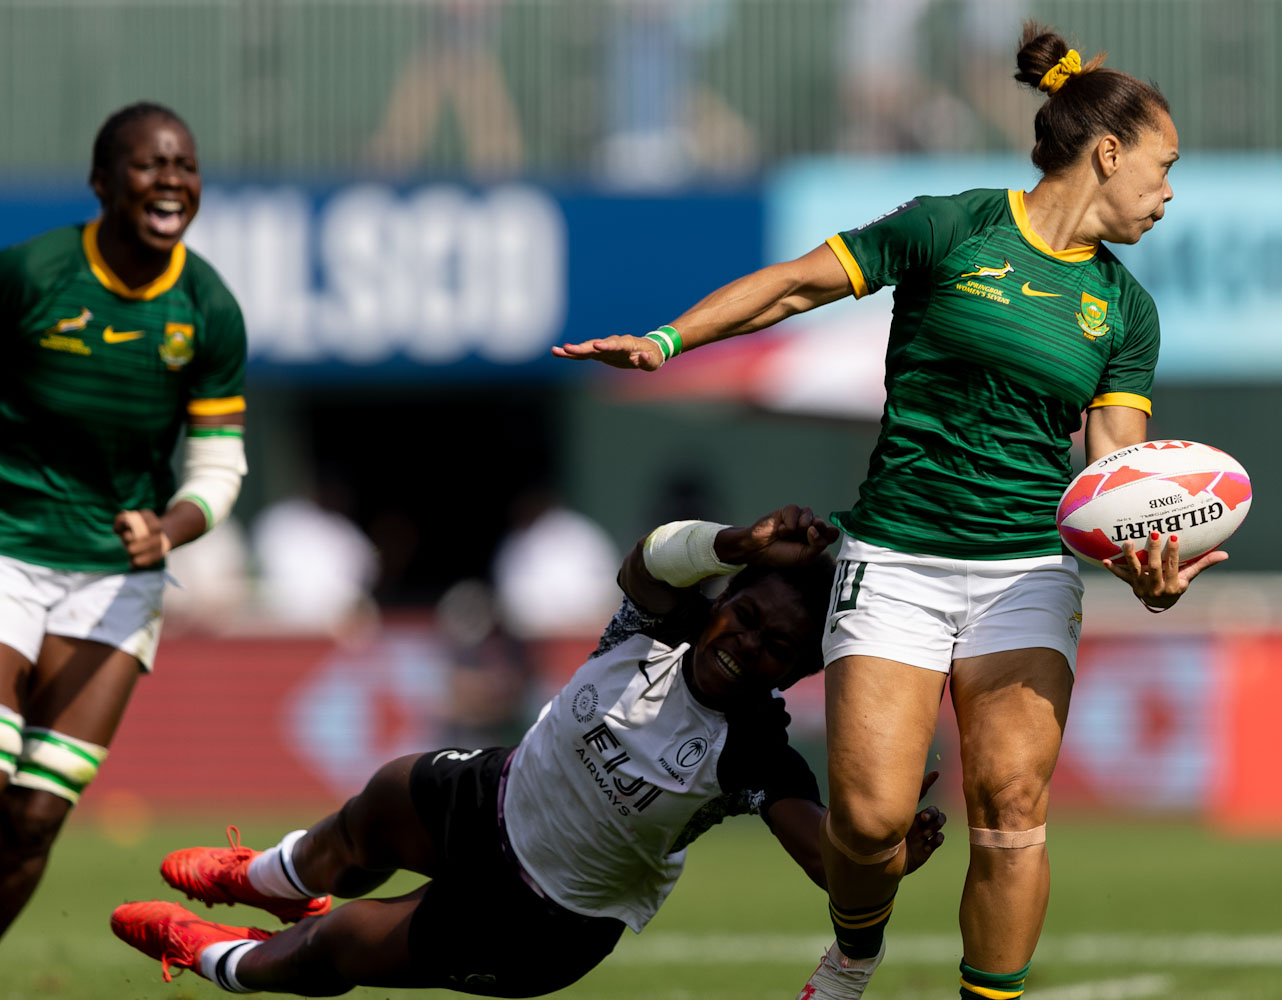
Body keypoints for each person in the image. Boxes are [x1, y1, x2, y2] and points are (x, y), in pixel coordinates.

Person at [554, 23, 1218, 1000]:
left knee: (1009, 811)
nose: (1167, 194)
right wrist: (665, 339)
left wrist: (1143, 565)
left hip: (1023, 578)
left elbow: (1111, 469)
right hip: (895, 561)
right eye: (1161, 168)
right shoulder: (949, 226)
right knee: (867, 823)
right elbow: (789, 287)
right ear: (1106, 153)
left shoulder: (1125, 311)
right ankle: (854, 952)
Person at [108, 505, 950, 997]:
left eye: (777, 649)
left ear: (801, 673)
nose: (748, 644)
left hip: (543, 916)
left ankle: (210, 954)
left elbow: (829, 863)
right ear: (723, 599)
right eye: (748, 616)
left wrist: (883, 855)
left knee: (344, 949)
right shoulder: (665, 621)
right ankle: (268, 880)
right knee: (377, 806)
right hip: (496, 794)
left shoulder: (758, 751)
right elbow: (652, 559)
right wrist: (736, 542)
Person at [0, 102, 249, 941]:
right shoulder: (32, 277)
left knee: (33, 818)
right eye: (150, 165)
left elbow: (219, 460)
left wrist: (170, 530)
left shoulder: (207, 306)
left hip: (115, 580)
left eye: (185, 166)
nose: (171, 181)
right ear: (103, 183)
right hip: (7, 549)